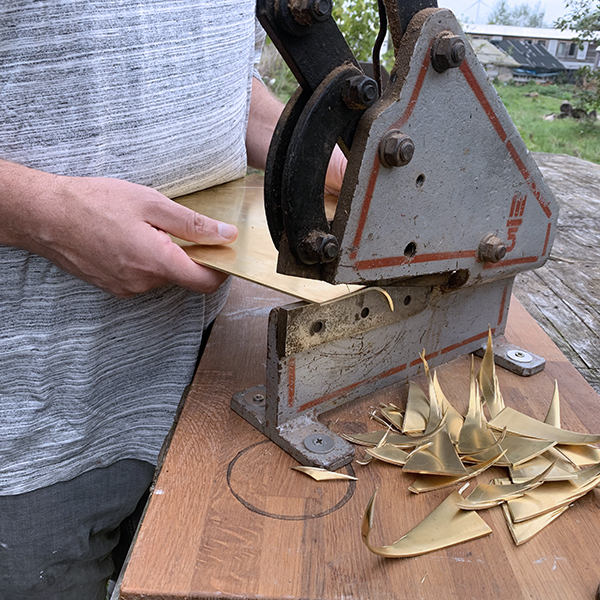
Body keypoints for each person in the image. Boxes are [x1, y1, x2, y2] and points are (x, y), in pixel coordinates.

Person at [0, 2, 346, 599]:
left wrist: (318, 157)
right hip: (30, 427)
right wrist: (45, 216)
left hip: (201, 379)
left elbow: (219, 83)